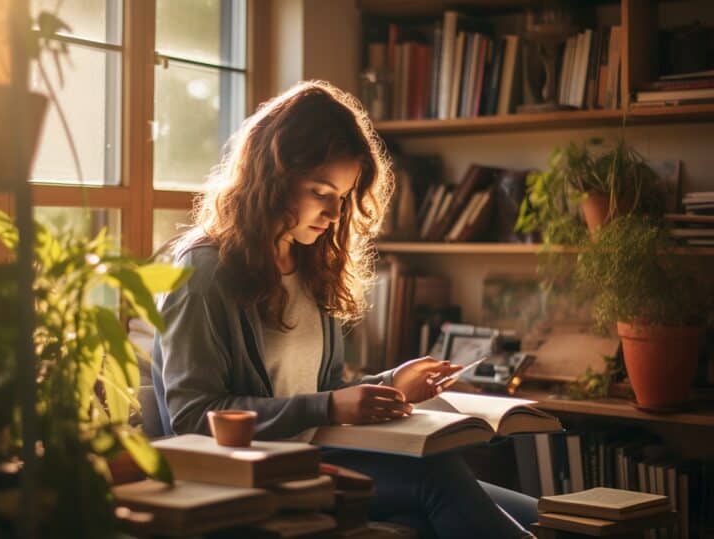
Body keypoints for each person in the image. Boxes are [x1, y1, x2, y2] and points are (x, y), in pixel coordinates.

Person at [150, 80, 537, 539]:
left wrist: (391, 385)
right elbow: (193, 416)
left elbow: (321, 395)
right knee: (440, 479)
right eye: (320, 191)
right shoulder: (205, 270)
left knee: (533, 511)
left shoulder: (310, 263)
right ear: (272, 176)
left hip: (316, 458)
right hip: (247, 475)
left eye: (344, 195)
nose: (335, 213)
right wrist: (333, 405)